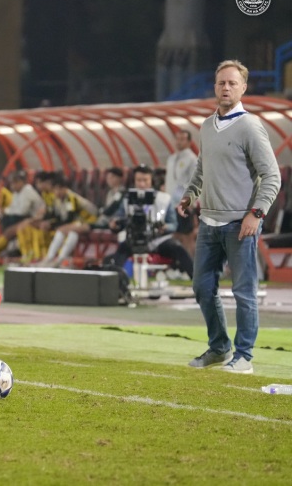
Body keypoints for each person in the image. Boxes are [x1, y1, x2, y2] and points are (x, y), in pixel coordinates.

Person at [178, 60, 280, 375]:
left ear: (243, 88)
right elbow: (202, 166)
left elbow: (272, 176)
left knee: (244, 292)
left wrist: (256, 214)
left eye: (232, 83)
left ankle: (244, 357)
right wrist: (190, 194)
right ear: (215, 86)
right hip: (209, 222)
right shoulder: (207, 126)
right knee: (201, 286)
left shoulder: (250, 126)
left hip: (241, 223)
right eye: (221, 82)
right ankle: (220, 347)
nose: (226, 88)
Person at [104, 164, 193, 278]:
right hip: (134, 239)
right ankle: (113, 280)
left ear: (151, 181)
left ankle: (196, 278)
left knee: (177, 247)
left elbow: (173, 224)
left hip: (158, 240)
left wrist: (165, 227)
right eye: (138, 180)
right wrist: (114, 225)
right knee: (121, 250)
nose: (141, 184)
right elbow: (118, 219)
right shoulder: (127, 198)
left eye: (145, 180)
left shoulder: (164, 199)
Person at [165, 130, 198, 254]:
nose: (178, 142)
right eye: (177, 139)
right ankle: (178, 267)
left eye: (182, 139)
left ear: (189, 142)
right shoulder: (171, 158)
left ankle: (191, 266)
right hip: (170, 204)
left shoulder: (192, 159)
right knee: (174, 235)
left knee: (186, 236)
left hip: (184, 204)